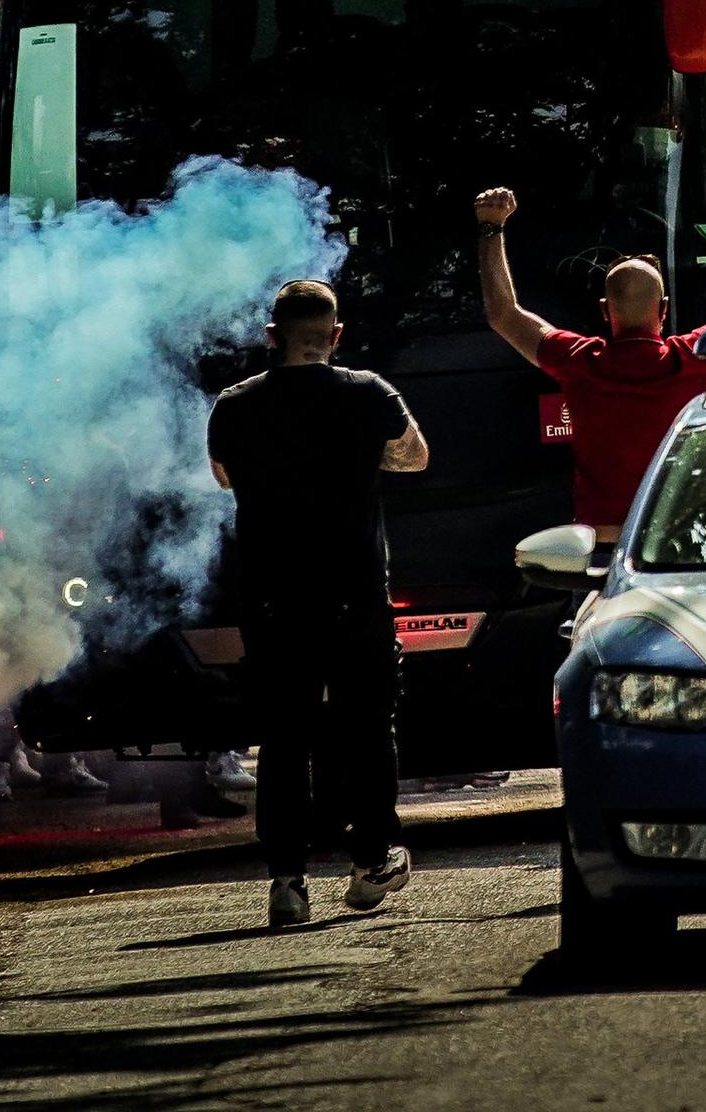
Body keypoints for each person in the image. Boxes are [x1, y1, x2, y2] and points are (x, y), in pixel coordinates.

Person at [207, 278, 432, 927]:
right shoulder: (368, 394)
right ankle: (369, 862)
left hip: (274, 599)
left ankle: (287, 880)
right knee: (367, 728)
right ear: (335, 335)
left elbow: (224, 475)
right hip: (354, 595)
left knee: (283, 738)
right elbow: (414, 457)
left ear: (272, 336)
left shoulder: (236, 405)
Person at [475, 178, 706, 538]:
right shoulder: (695, 355)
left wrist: (490, 225)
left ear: (605, 311)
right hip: (675, 543)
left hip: (601, 545)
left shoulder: (579, 360)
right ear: (663, 310)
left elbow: (503, 314)